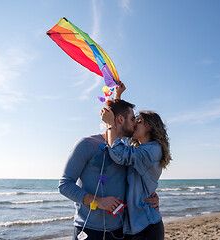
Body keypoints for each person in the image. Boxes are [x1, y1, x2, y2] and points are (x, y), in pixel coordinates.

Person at [59, 96, 159, 240]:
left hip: (119, 231)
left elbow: (140, 178)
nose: (135, 124)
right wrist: (98, 201)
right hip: (88, 230)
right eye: (132, 119)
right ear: (120, 120)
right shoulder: (86, 144)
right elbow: (64, 185)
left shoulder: (126, 150)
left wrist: (151, 194)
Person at [100, 85, 171, 239]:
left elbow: (118, 153)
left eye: (138, 121)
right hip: (133, 226)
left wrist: (110, 124)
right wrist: (117, 96)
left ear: (150, 127)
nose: (134, 124)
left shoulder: (152, 151)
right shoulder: (137, 147)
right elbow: (121, 125)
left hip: (147, 226)